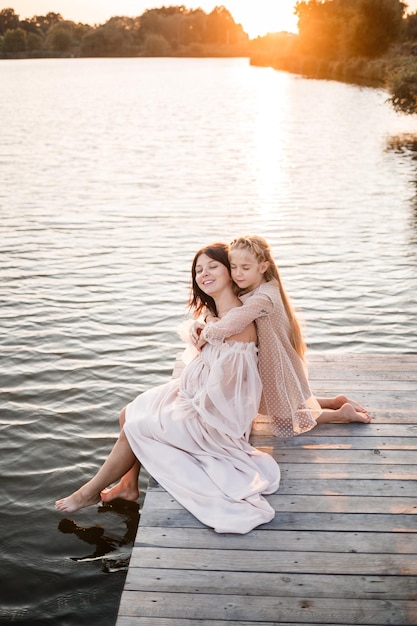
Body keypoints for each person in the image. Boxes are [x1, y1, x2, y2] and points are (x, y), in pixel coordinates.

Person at [55, 243, 280, 534]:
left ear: (230, 271)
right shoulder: (219, 316)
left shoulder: (238, 322)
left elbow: (230, 389)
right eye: (198, 269)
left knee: (136, 429)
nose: (204, 274)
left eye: (212, 266)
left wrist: (189, 403)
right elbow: (212, 352)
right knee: (128, 413)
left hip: (213, 417)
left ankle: (87, 492)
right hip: (196, 396)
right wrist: (205, 330)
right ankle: (127, 485)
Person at [192, 235, 370, 438]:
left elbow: (234, 321)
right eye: (234, 267)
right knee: (288, 402)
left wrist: (206, 333)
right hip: (267, 356)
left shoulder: (263, 297)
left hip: (275, 361)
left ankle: (339, 413)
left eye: (245, 268)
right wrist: (208, 317)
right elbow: (212, 306)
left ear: (263, 266)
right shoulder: (249, 285)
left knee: (285, 419)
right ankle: (334, 401)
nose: (238, 274)